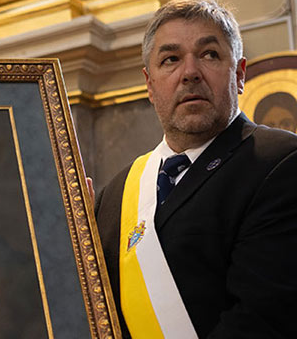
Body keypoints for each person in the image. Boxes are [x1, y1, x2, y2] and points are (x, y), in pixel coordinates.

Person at [95, 0, 297, 337]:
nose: (190, 72)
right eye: (171, 59)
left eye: (209, 55)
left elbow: (264, 317)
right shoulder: (113, 196)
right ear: (149, 83)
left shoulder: (280, 162)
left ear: (240, 73)